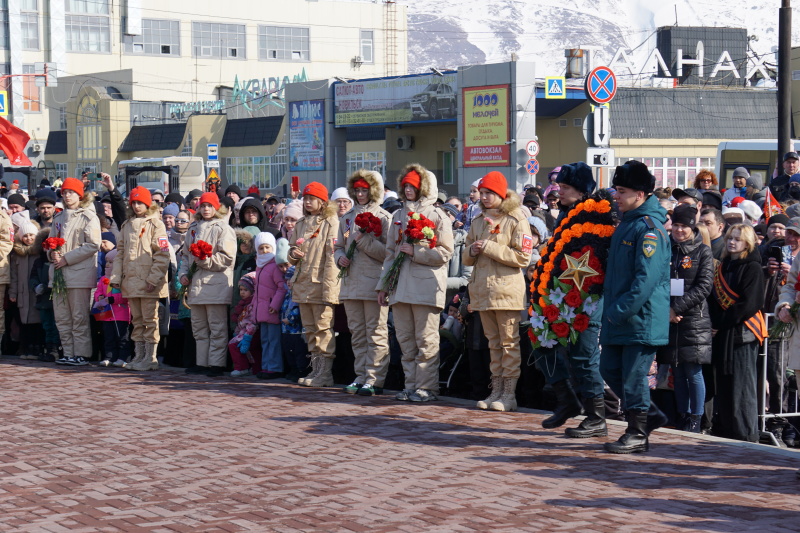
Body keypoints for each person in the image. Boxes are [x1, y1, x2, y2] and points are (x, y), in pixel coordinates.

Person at [531, 162, 613, 438]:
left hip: (586, 297)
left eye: (565, 187)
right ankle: (567, 401)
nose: (559, 191)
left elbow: (594, 257)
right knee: (541, 340)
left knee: (585, 357)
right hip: (561, 293)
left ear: (581, 190)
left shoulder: (596, 214)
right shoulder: (568, 214)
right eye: (559, 186)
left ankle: (596, 416)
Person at [601, 160, 671, 454]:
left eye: (622, 191)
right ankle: (649, 415)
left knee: (632, 375)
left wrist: (619, 311)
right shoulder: (628, 224)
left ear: (640, 194)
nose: (616, 196)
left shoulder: (649, 229)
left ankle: (638, 431)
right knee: (609, 368)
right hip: (621, 316)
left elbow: (646, 280)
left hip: (639, 318)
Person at [377, 164, 454, 402]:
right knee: (406, 341)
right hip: (400, 288)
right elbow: (390, 253)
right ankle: (410, 385)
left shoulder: (437, 215)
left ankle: (427, 387)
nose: (408, 190)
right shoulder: (398, 215)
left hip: (425, 288)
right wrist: (384, 285)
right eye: (406, 186)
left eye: (413, 186)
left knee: (426, 340)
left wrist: (416, 252)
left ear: (424, 188)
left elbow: (445, 252)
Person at [463, 171, 532, 411]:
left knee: (509, 343)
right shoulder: (478, 220)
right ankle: (496, 391)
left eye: (488, 193)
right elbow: (466, 256)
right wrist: (471, 251)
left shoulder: (516, 219)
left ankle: (509, 394)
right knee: (493, 344)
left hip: (507, 292)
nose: (483, 197)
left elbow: (523, 257)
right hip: (483, 291)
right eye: (481, 193)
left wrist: (490, 247)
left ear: (500, 194)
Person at [334, 170, 392, 396]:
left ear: (373, 191)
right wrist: (339, 258)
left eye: (364, 190)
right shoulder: (346, 218)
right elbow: (338, 246)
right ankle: (360, 376)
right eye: (356, 190)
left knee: (376, 332)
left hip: (372, 282)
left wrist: (365, 241)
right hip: (350, 283)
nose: (359, 194)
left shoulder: (384, 217)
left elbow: (388, 254)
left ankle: (375, 378)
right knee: (357, 332)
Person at [656, 204, 713, 432]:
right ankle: (682, 415)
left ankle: (695, 419)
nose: (679, 230)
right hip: (669, 318)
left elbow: (704, 287)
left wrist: (676, 309)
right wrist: (667, 311)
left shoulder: (702, 251)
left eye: (684, 226)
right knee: (676, 371)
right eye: (676, 225)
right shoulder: (666, 248)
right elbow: (658, 281)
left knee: (693, 371)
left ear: (692, 227)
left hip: (694, 319)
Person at [709, 224, 766, 442]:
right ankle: (727, 430)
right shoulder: (724, 266)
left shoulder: (752, 267)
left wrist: (721, 322)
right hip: (724, 333)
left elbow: (750, 304)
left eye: (738, 239)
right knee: (725, 384)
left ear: (748, 243)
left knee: (742, 386)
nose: (732, 242)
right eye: (730, 238)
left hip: (743, 333)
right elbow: (715, 298)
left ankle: (746, 433)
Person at [109, 186, 171, 371]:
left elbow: (162, 254)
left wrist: (153, 279)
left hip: (148, 282)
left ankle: (150, 357)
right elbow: (120, 253)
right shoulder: (126, 225)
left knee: (150, 320)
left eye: (140, 202)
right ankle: (139, 355)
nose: (136, 206)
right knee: (136, 321)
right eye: (134, 202)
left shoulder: (156, 224)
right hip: (131, 280)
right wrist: (116, 276)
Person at [178, 192, 237, 377]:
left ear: (216, 208)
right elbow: (186, 256)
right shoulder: (193, 228)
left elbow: (227, 258)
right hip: (196, 285)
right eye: (203, 205)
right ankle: (201, 362)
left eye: (209, 206)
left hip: (215, 284)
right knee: (199, 327)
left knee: (217, 327)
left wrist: (205, 260)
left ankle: (216, 364)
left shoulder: (223, 228)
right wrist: (183, 275)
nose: (206, 209)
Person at [287, 182, 340, 387]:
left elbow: (332, 258)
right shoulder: (300, 224)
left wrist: (330, 290)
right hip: (302, 283)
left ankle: (325, 374)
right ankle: (316, 371)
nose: (308, 202)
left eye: (312, 198)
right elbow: (291, 251)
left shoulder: (331, 222)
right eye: (306, 198)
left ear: (322, 201)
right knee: (309, 330)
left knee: (323, 329)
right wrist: (293, 254)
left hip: (320, 284)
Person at [47, 178, 101, 366]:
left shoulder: (88, 216)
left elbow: (93, 244)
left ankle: (82, 353)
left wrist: (67, 258)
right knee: (62, 317)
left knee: (78, 316)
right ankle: (68, 352)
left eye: (71, 192)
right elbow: (49, 241)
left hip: (78, 273)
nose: (67, 195)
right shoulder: (59, 217)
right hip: (59, 273)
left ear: (80, 194)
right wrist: (51, 253)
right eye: (64, 192)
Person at [251, 232, 287, 379]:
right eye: (261, 248)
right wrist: (254, 310)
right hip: (262, 311)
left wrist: (275, 304)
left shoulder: (274, 266)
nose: (264, 251)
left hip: (272, 310)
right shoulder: (259, 266)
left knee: (273, 341)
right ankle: (266, 366)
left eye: (267, 247)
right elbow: (257, 292)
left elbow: (282, 287)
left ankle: (274, 367)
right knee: (265, 340)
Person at [9, 219, 44, 359]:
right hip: (22, 293)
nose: (28, 238)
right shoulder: (17, 254)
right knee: (24, 321)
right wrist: (13, 292)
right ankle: (26, 348)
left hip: (36, 292)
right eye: (25, 236)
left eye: (31, 235)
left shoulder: (40, 252)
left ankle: (37, 348)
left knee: (38, 321)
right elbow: (14, 275)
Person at [94, 248, 132, 367]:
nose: (108, 265)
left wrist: (113, 299)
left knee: (122, 337)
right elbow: (98, 291)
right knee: (109, 337)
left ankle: (123, 357)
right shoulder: (102, 279)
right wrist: (99, 297)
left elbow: (126, 295)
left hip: (121, 314)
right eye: (107, 262)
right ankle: (109, 357)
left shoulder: (123, 279)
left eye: (111, 262)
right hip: (107, 314)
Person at [228, 272, 260, 377]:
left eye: (245, 290)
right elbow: (240, 320)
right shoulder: (243, 304)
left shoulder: (251, 305)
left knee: (236, 345)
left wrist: (247, 336)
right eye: (241, 290)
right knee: (243, 349)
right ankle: (246, 367)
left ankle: (243, 367)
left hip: (251, 332)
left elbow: (252, 322)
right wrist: (237, 332)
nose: (242, 292)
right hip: (243, 331)